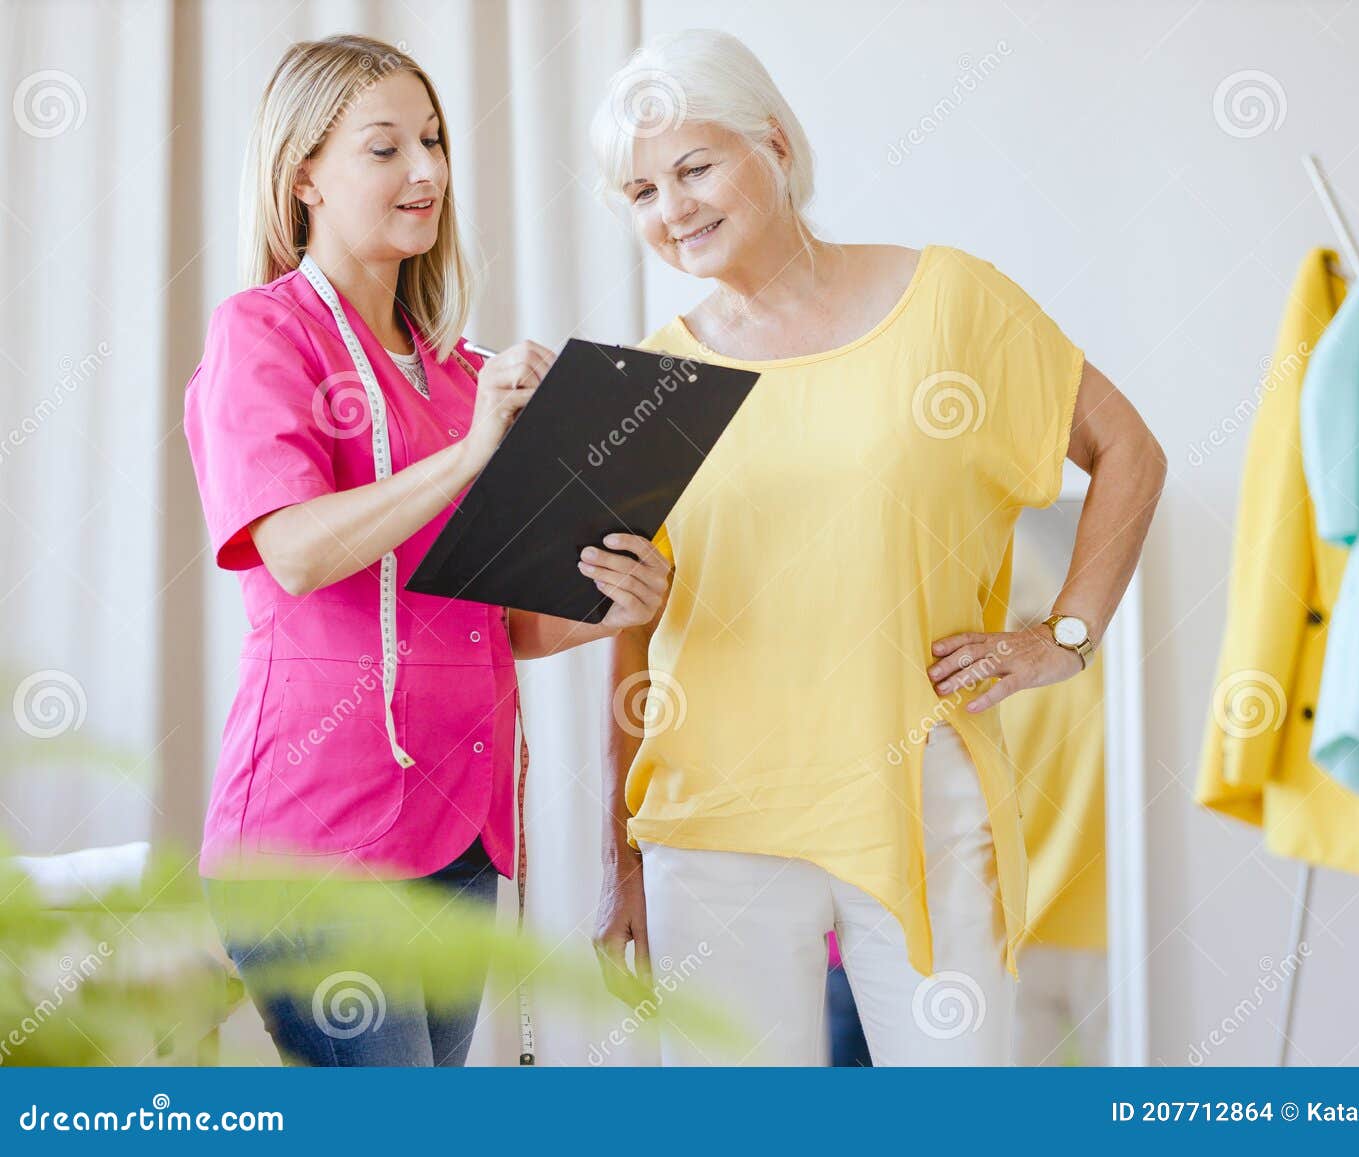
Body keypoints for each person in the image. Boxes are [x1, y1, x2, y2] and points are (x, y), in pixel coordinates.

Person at [588, 29, 1164, 1065]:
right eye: (639, 193)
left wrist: (1063, 635)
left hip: (924, 797)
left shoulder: (950, 304)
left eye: (692, 166)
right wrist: (615, 862)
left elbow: (1127, 447)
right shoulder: (650, 381)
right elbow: (632, 639)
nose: (671, 208)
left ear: (772, 142)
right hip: (710, 821)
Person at [186, 34, 670, 1066]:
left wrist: (608, 604)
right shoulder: (260, 336)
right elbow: (296, 553)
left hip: (460, 831)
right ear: (303, 174)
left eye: (436, 141)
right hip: (316, 836)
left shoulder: (464, 373)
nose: (428, 172)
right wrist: (469, 454)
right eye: (386, 147)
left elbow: (487, 618)